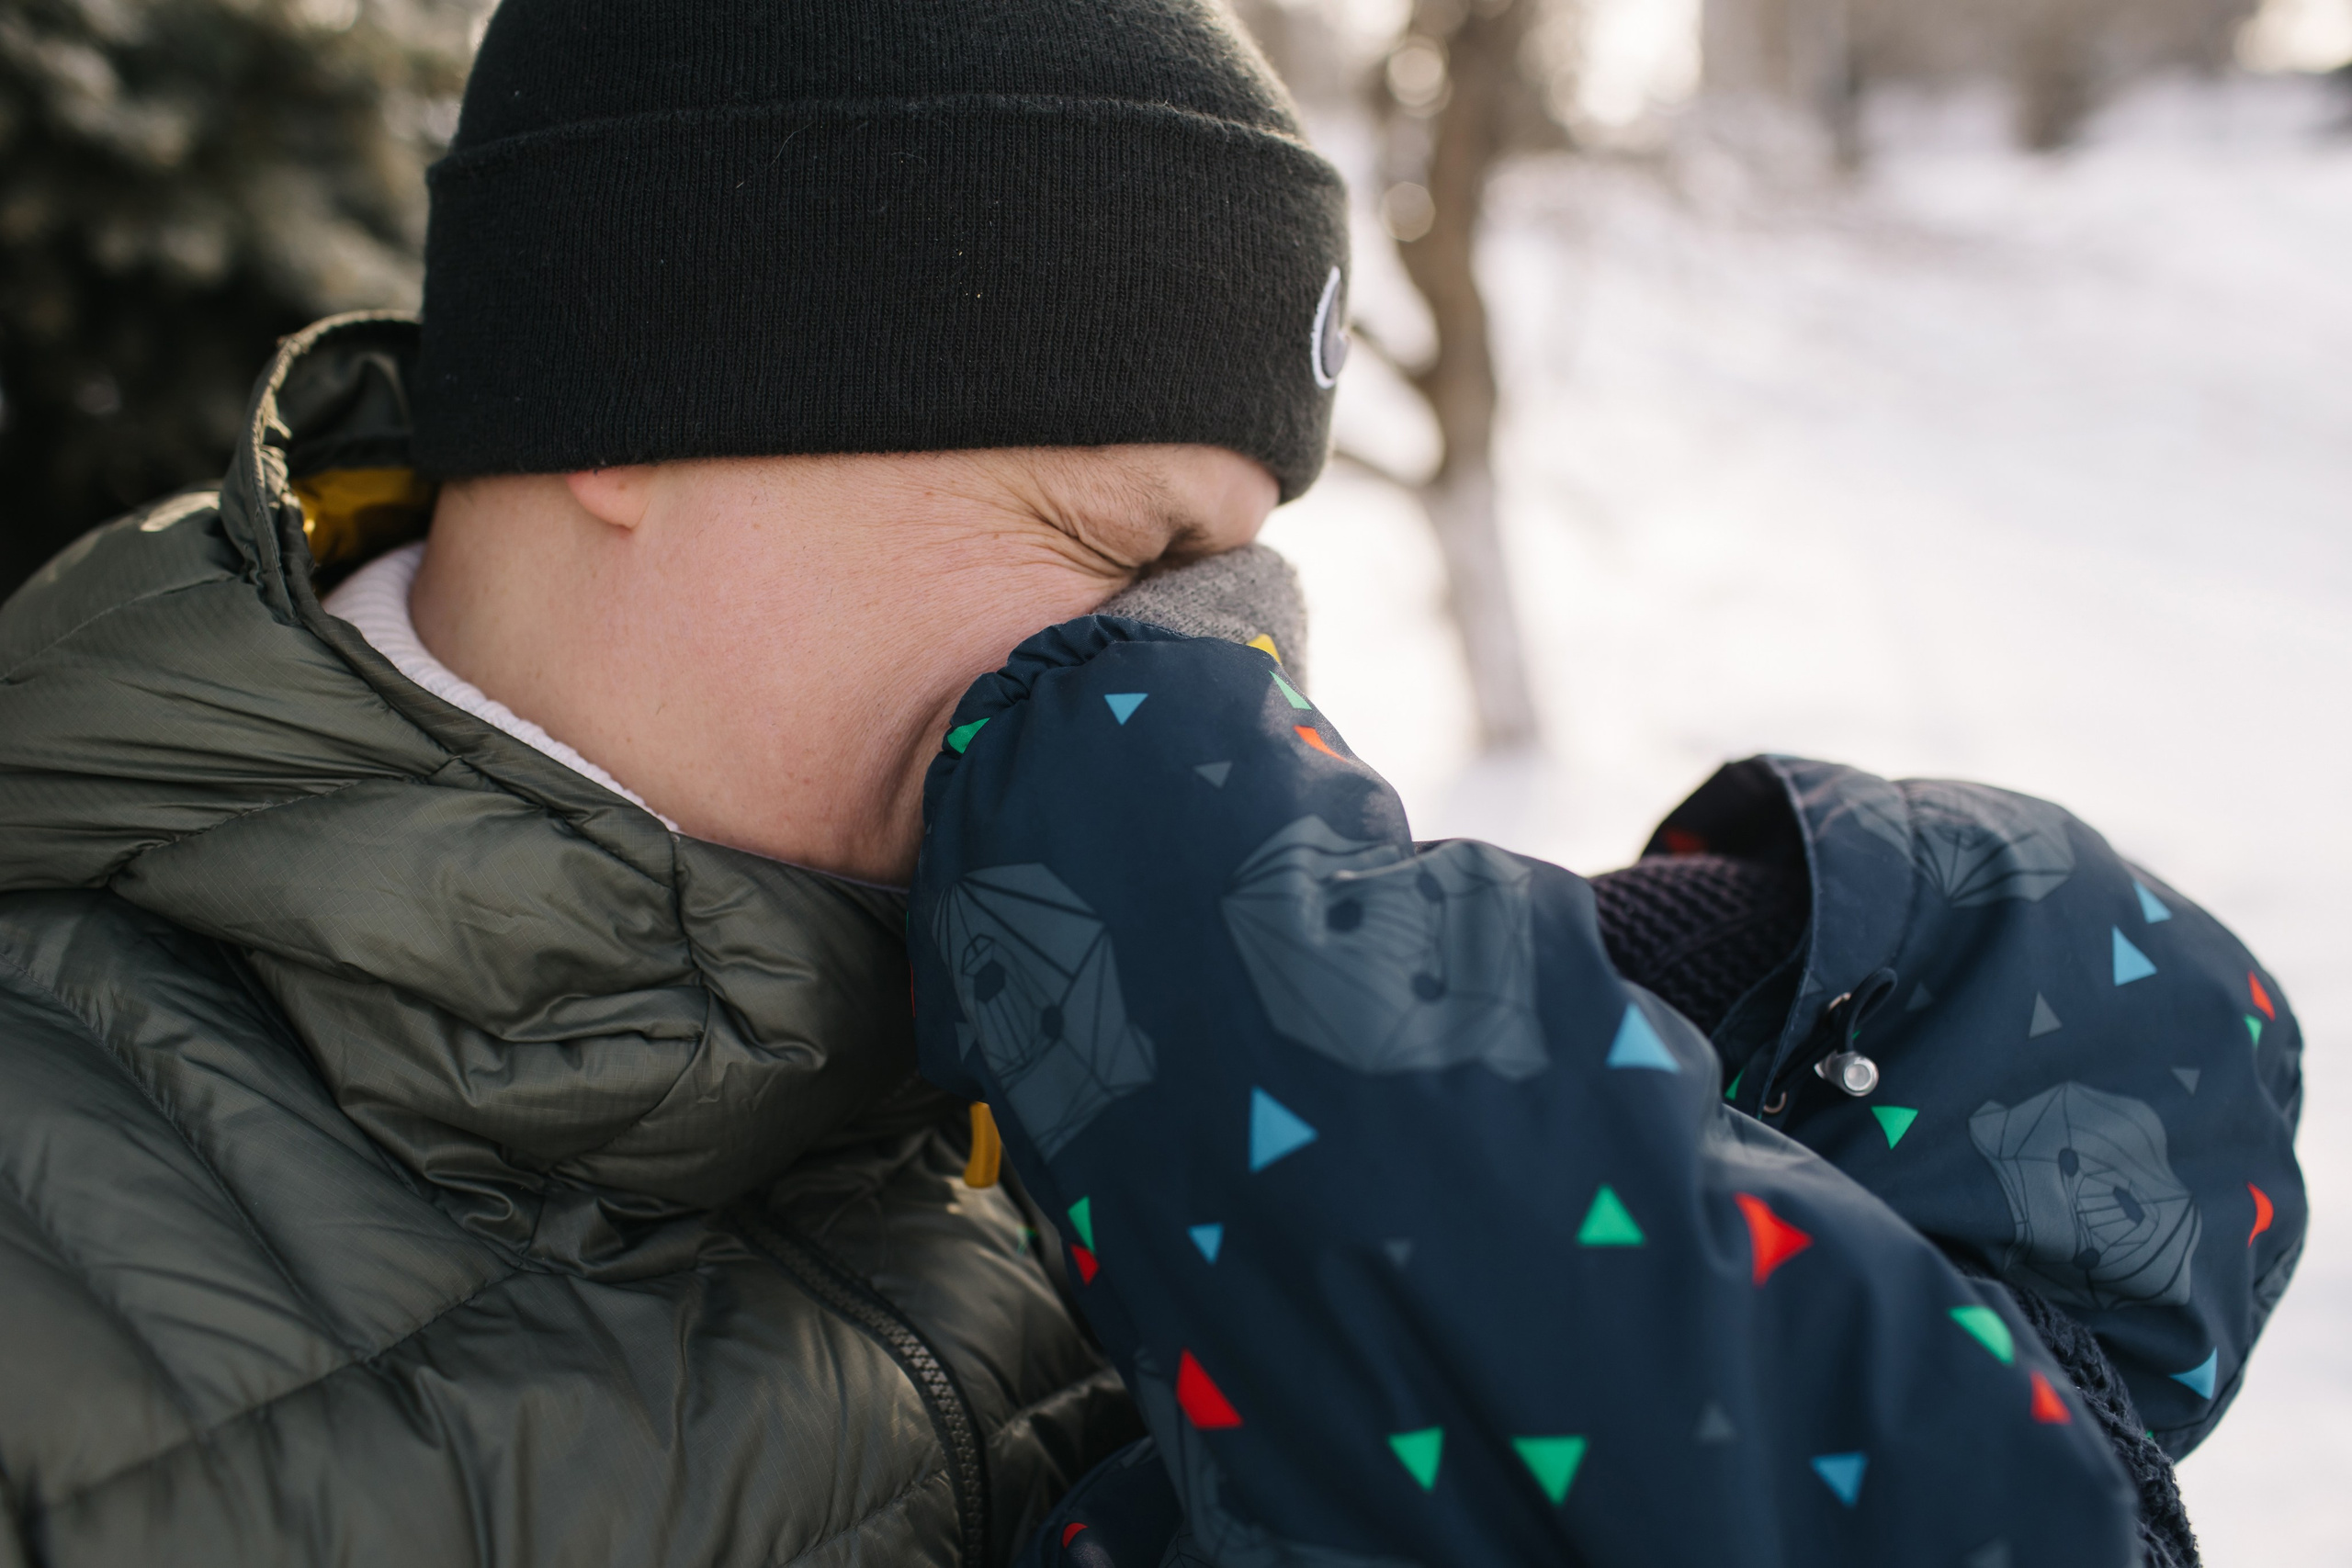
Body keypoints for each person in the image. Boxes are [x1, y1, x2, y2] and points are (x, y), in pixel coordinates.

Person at [0, 6, 2300, 1568]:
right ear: (634, 404)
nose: (1221, 703)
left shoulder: (1132, 1144)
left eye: (1252, 583)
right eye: (1121, 555)